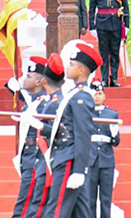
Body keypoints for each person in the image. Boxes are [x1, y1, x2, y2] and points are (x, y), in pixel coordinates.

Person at [41, 42, 103, 218]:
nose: (67, 67)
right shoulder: (75, 93)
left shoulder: (82, 96)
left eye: (72, 64)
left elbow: (84, 134)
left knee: (56, 210)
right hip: (67, 156)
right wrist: (42, 127)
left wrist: (79, 170)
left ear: (82, 70)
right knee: (81, 212)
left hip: (70, 159)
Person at [23, 53, 65, 218]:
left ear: (44, 81)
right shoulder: (47, 102)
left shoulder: (53, 104)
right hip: (39, 158)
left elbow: (62, 133)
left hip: (46, 158)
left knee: (37, 206)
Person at [10, 56, 48, 218]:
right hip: (28, 155)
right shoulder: (31, 100)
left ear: (40, 81)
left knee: (27, 205)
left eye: (29, 76)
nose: (24, 79)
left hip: (36, 156)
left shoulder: (45, 102)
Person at [89, 0, 129, 87]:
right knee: (104, 53)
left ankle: (114, 78)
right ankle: (104, 79)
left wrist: (126, 25)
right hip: (102, 24)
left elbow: (125, 7)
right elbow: (91, 9)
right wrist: (92, 27)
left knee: (115, 52)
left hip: (116, 23)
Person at [88, 77, 120, 218]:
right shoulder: (86, 113)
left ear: (104, 95)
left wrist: (114, 133)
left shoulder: (111, 114)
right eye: (94, 93)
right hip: (90, 159)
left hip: (106, 159)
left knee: (106, 198)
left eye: (100, 93)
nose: (97, 96)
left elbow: (116, 141)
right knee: (90, 198)